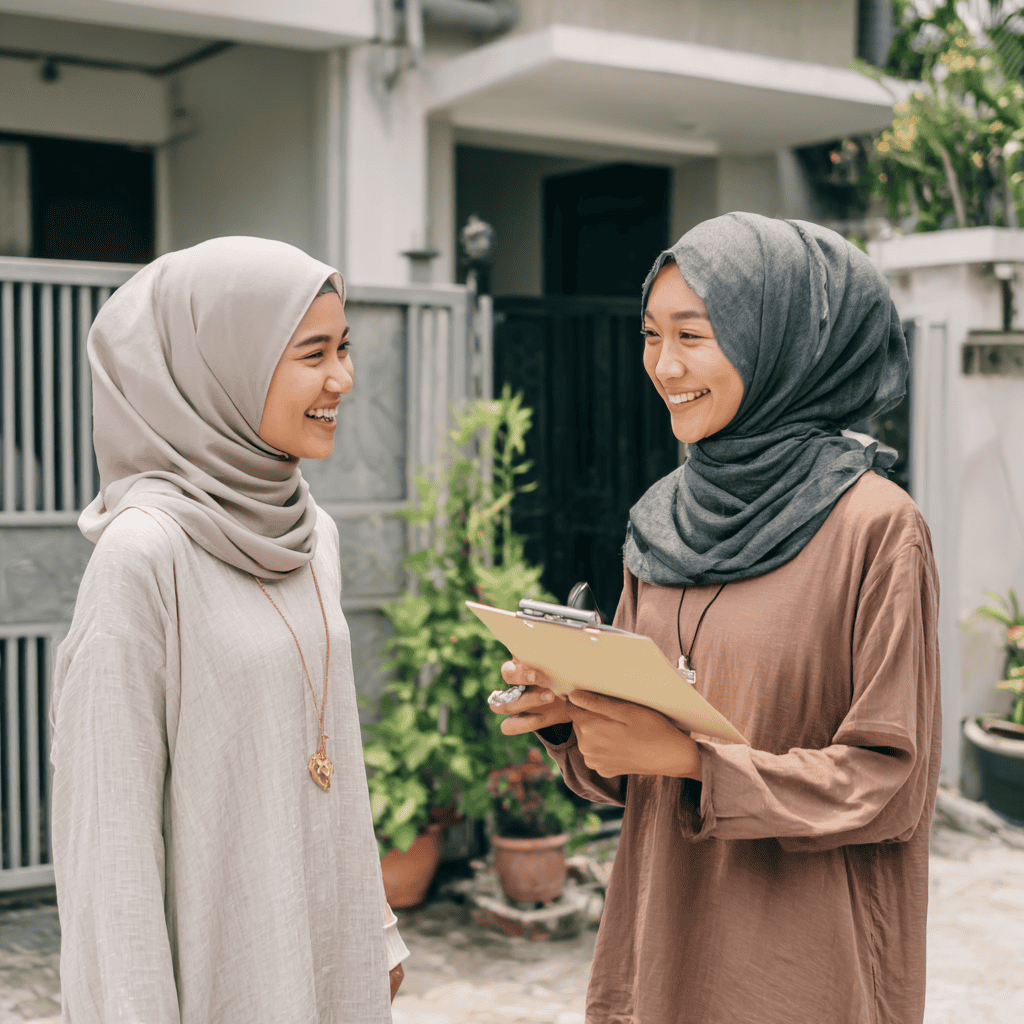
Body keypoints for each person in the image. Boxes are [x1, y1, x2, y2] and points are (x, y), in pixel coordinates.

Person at [491, 213, 940, 1024]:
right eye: (651, 335)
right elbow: (635, 773)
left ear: (782, 343)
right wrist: (570, 719)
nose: (664, 366)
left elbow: (890, 783)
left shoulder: (876, 527)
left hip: (803, 968)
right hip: (661, 951)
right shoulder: (661, 522)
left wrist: (702, 763)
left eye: (694, 335)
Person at [49, 237, 409, 1023]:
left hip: (327, 953)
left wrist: (373, 931)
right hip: (220, 980)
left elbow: (333, 756)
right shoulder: (143, 557)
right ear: (225, 366)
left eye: (344, 348)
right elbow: (110, 847)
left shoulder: (312, 533)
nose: (342, 379)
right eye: (313, 352)